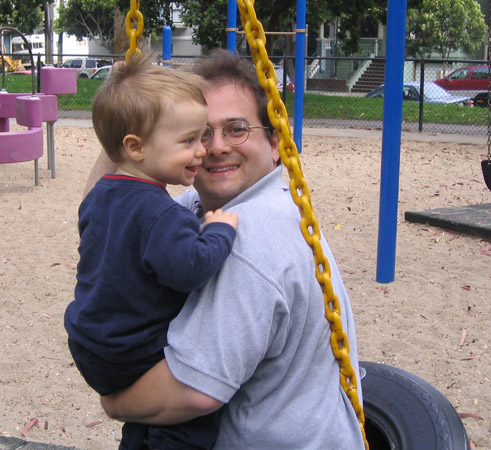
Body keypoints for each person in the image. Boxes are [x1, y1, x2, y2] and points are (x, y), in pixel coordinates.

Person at [91, 49, 364, 449]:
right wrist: (126, 114)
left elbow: (193, 390)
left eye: (236, 129)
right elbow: (108, 214)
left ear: (275, 143)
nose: (216, 147)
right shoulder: (213, 207)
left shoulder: (246, 233)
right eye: (200, 133)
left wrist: (114, 401)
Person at [64, 53, 238, 450]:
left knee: (145, 414)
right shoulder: (161, 213)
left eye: (201, 137)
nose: (202, 151)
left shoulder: (100, 195)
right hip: (131, 348)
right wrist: (219, 232)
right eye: (188, 141)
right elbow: (189, 269)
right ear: (136, 147)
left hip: (89, 341)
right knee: (190, 412)